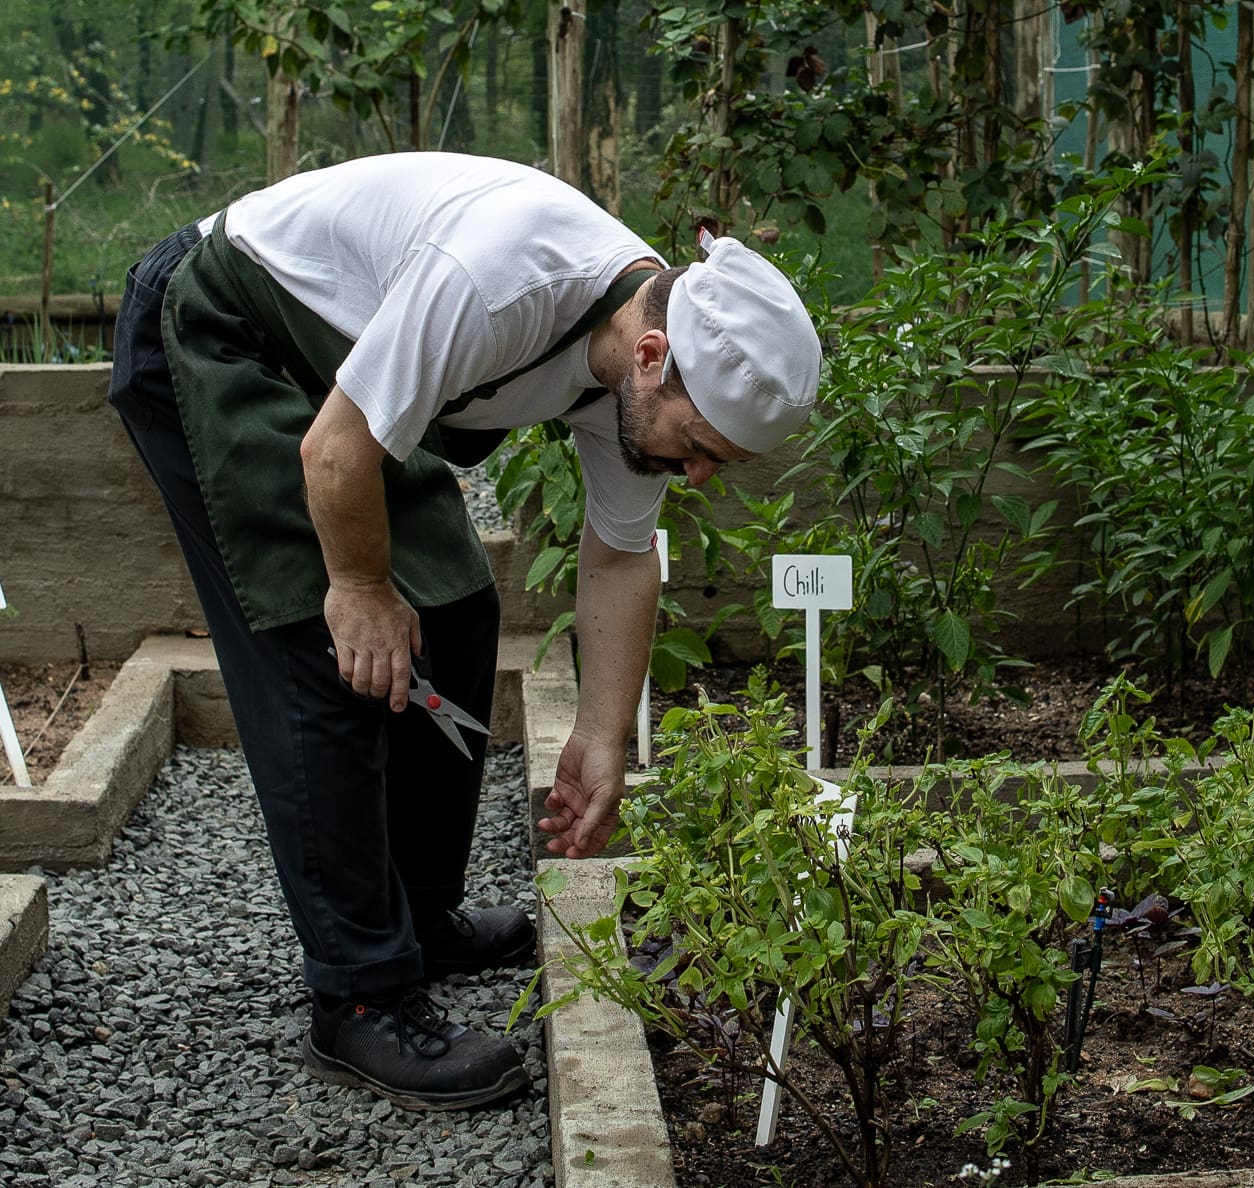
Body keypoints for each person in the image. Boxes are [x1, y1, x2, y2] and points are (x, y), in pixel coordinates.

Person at [106, 151, 823, 1112]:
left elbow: (619, 557)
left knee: (454, 607)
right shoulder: (499, 282)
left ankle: (422, 916)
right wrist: (357, 586)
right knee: (324, 653)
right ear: (653, 357)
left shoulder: (637, 356)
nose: (694, 477)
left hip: (341, 385)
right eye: (697, 449)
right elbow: (333, 452)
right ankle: (359, 996)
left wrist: (602, 738)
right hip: (222, 331)